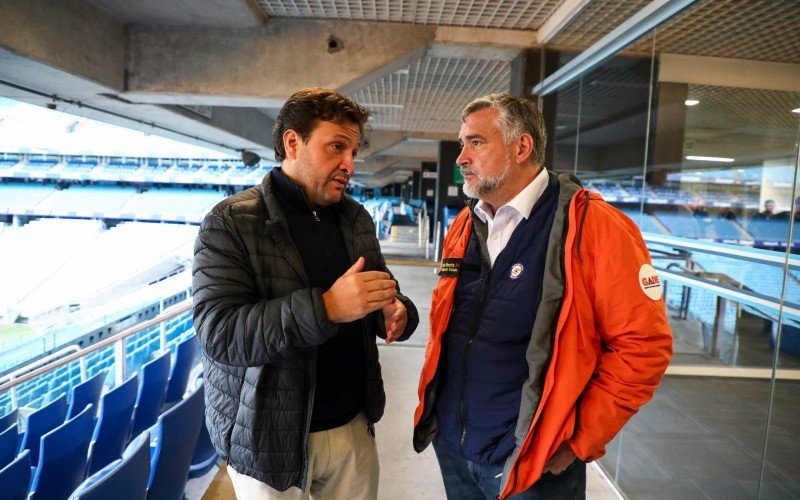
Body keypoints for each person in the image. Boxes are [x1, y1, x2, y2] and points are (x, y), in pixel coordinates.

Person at [413, 93, 673, 499]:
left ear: (522, 147)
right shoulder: (465, 224)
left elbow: (643, 347)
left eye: (476, 142)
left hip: (535, 463)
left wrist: (576, 442)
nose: (462, 156)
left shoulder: (595, 227)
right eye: (462, 143)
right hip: (455, 448)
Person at [192, 87, 419, 499]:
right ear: (292, 142)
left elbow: (382, 290)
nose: (349, 164)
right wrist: (327, 308)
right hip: (268, 440)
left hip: (351, 427)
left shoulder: (355, 218)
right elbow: (220, 334)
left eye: (353, 151)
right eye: (337, 147)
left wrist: (398, 311)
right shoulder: (230, 222)